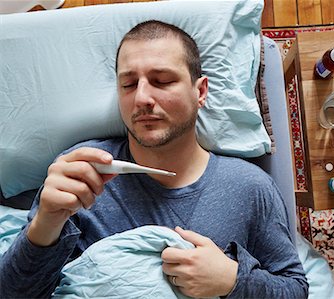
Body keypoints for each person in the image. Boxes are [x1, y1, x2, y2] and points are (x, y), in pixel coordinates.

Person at [0, 20, 308, 298]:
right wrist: (45, 224)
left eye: (161, 80)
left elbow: (295, 289)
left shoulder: (250, 188)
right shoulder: (80, 171)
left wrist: (233, 280)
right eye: (129, 84)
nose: (142, 98)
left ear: (200, 91)